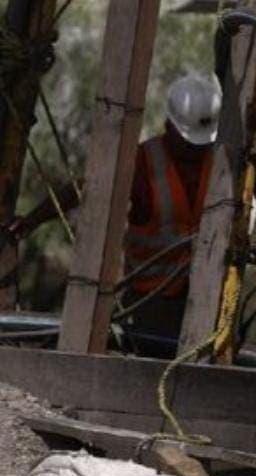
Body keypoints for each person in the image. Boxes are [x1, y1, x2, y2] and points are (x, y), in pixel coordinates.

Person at [6, 74, 221, 355]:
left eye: (201, 144)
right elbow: (86, 188)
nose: (196, 149)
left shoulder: (221, 161)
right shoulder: (144, 163)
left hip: (207, 293)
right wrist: (32, 220)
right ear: (169, 126)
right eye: (190, 143)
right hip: (151, 299)